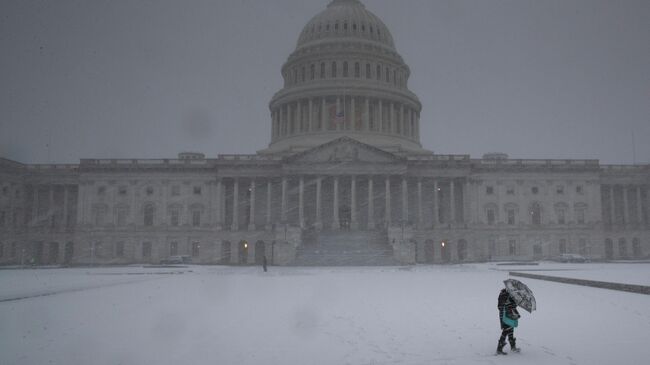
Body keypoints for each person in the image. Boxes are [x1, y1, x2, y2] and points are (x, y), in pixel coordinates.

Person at [497, 288, 520, 355]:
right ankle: (499, 349)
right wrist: (514, 302)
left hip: (504, 314)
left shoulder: (503, 294)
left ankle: (512, 347)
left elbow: (499, 306)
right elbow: (511, 305)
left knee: (510, 329)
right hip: (507, 314)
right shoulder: (509, 295)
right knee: (506, 330)